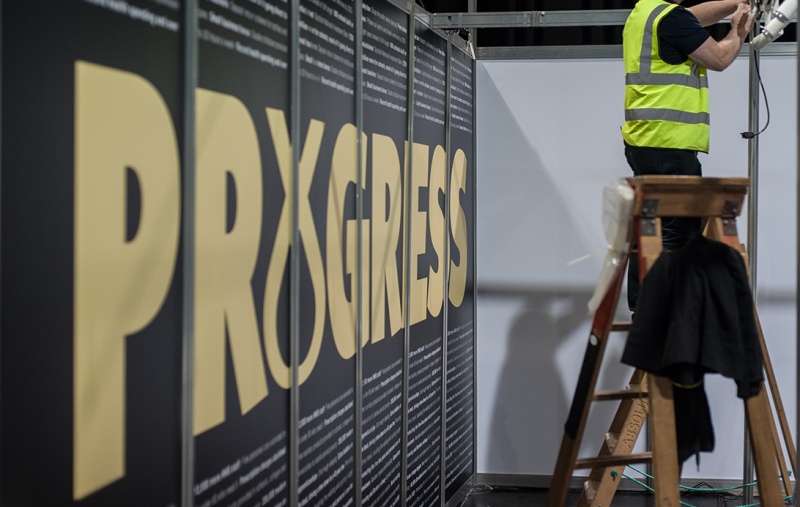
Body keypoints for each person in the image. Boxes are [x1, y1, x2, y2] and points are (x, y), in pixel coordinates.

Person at [622, 0, 754, 311]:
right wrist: (739, 31)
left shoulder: (645, 13)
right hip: (670, 143)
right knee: (675, 232)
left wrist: (735, 3)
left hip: (646, 140)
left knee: (651, 226)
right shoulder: (670, 20)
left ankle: (644, 305)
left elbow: (693, 17)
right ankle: (661, 313)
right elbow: (719, 59)